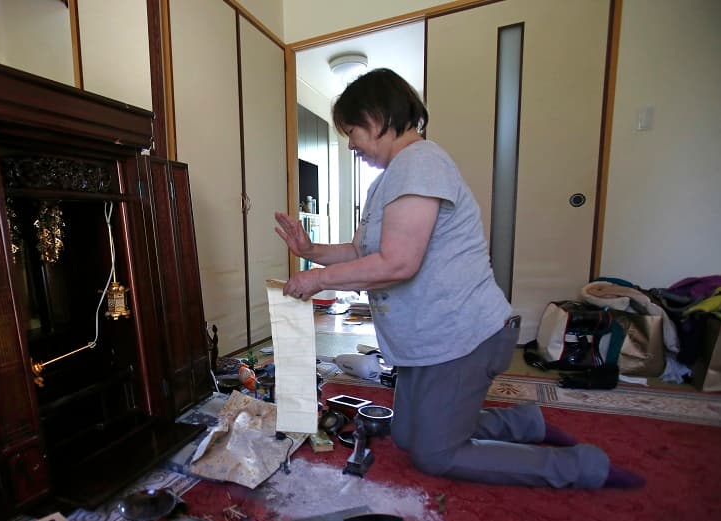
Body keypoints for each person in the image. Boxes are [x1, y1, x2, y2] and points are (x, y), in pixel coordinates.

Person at [275, 68, 643, 490]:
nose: (350, 142)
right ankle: (525, 422)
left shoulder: (421, 162)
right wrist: (311, 252)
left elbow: (398, 263)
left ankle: (581, 467)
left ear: (377, 117)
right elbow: (363, 251)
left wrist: (319, 280)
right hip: (428, 340)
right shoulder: (387, 182)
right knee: (408, 434)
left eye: (352, 130)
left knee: (435, 453)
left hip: (462, 336)